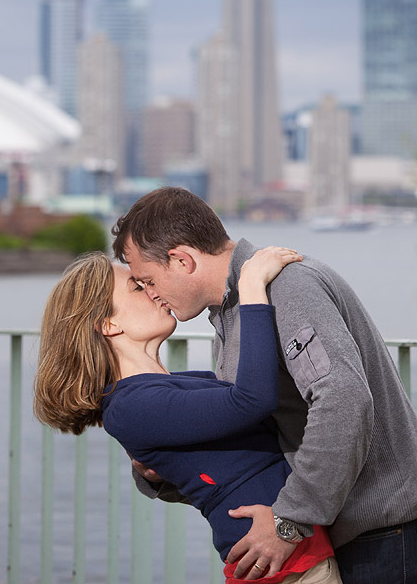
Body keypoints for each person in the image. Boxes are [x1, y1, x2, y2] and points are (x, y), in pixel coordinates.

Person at [112, 187, 417, 584]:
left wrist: (288, 521)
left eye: (148, 280)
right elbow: (256, 442)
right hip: (351, 531)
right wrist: (160, 472)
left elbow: (343, 400)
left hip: (389, 528)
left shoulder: (287, 287)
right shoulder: (232, 313)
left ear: (182, 259)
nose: (152, 294)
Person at [33, 246, 341, 583]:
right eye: (138, 287)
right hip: (283, 568)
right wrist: (252, 286)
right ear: (108, 324)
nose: (153, 292)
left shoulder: (173, 387)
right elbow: (253, 400)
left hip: (294, 555)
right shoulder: (131, 407)